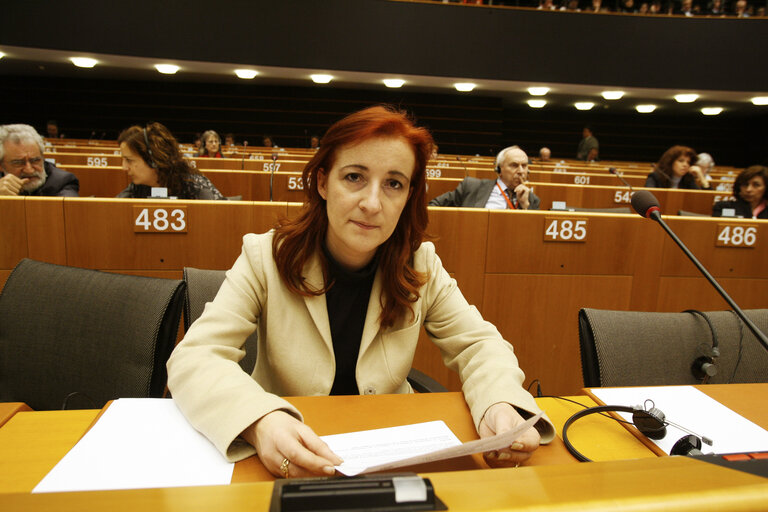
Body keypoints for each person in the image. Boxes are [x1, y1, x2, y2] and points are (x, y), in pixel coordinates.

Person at [166, 105, 554, 478]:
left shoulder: (421, 264)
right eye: (354, 177)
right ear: (322, 182)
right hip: (287, 451)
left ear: (408, 197)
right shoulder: (265, 256)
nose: (372, 203)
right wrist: (259, 421)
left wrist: (498, 403)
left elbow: (479, 345)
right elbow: (196, 357)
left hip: (391, 451)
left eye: (393, 184)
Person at [117, 122, 224, 200]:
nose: (124, 167)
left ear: (153, 159)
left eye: (129, 160)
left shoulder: (195, 186)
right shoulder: (138, 187)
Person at [429, 146, 540, 210]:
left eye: (524, 166)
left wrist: (525, 207)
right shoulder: (471, 186)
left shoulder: (532, 200)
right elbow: (434, 206)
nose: (521, 171)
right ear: (499, 169)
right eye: (514, 165)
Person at [0, 124, 79, 197]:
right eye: (18, 163)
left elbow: (68, 209)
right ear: (1, 166)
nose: (29, 170)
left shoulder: (62, 182)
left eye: (35, 160)